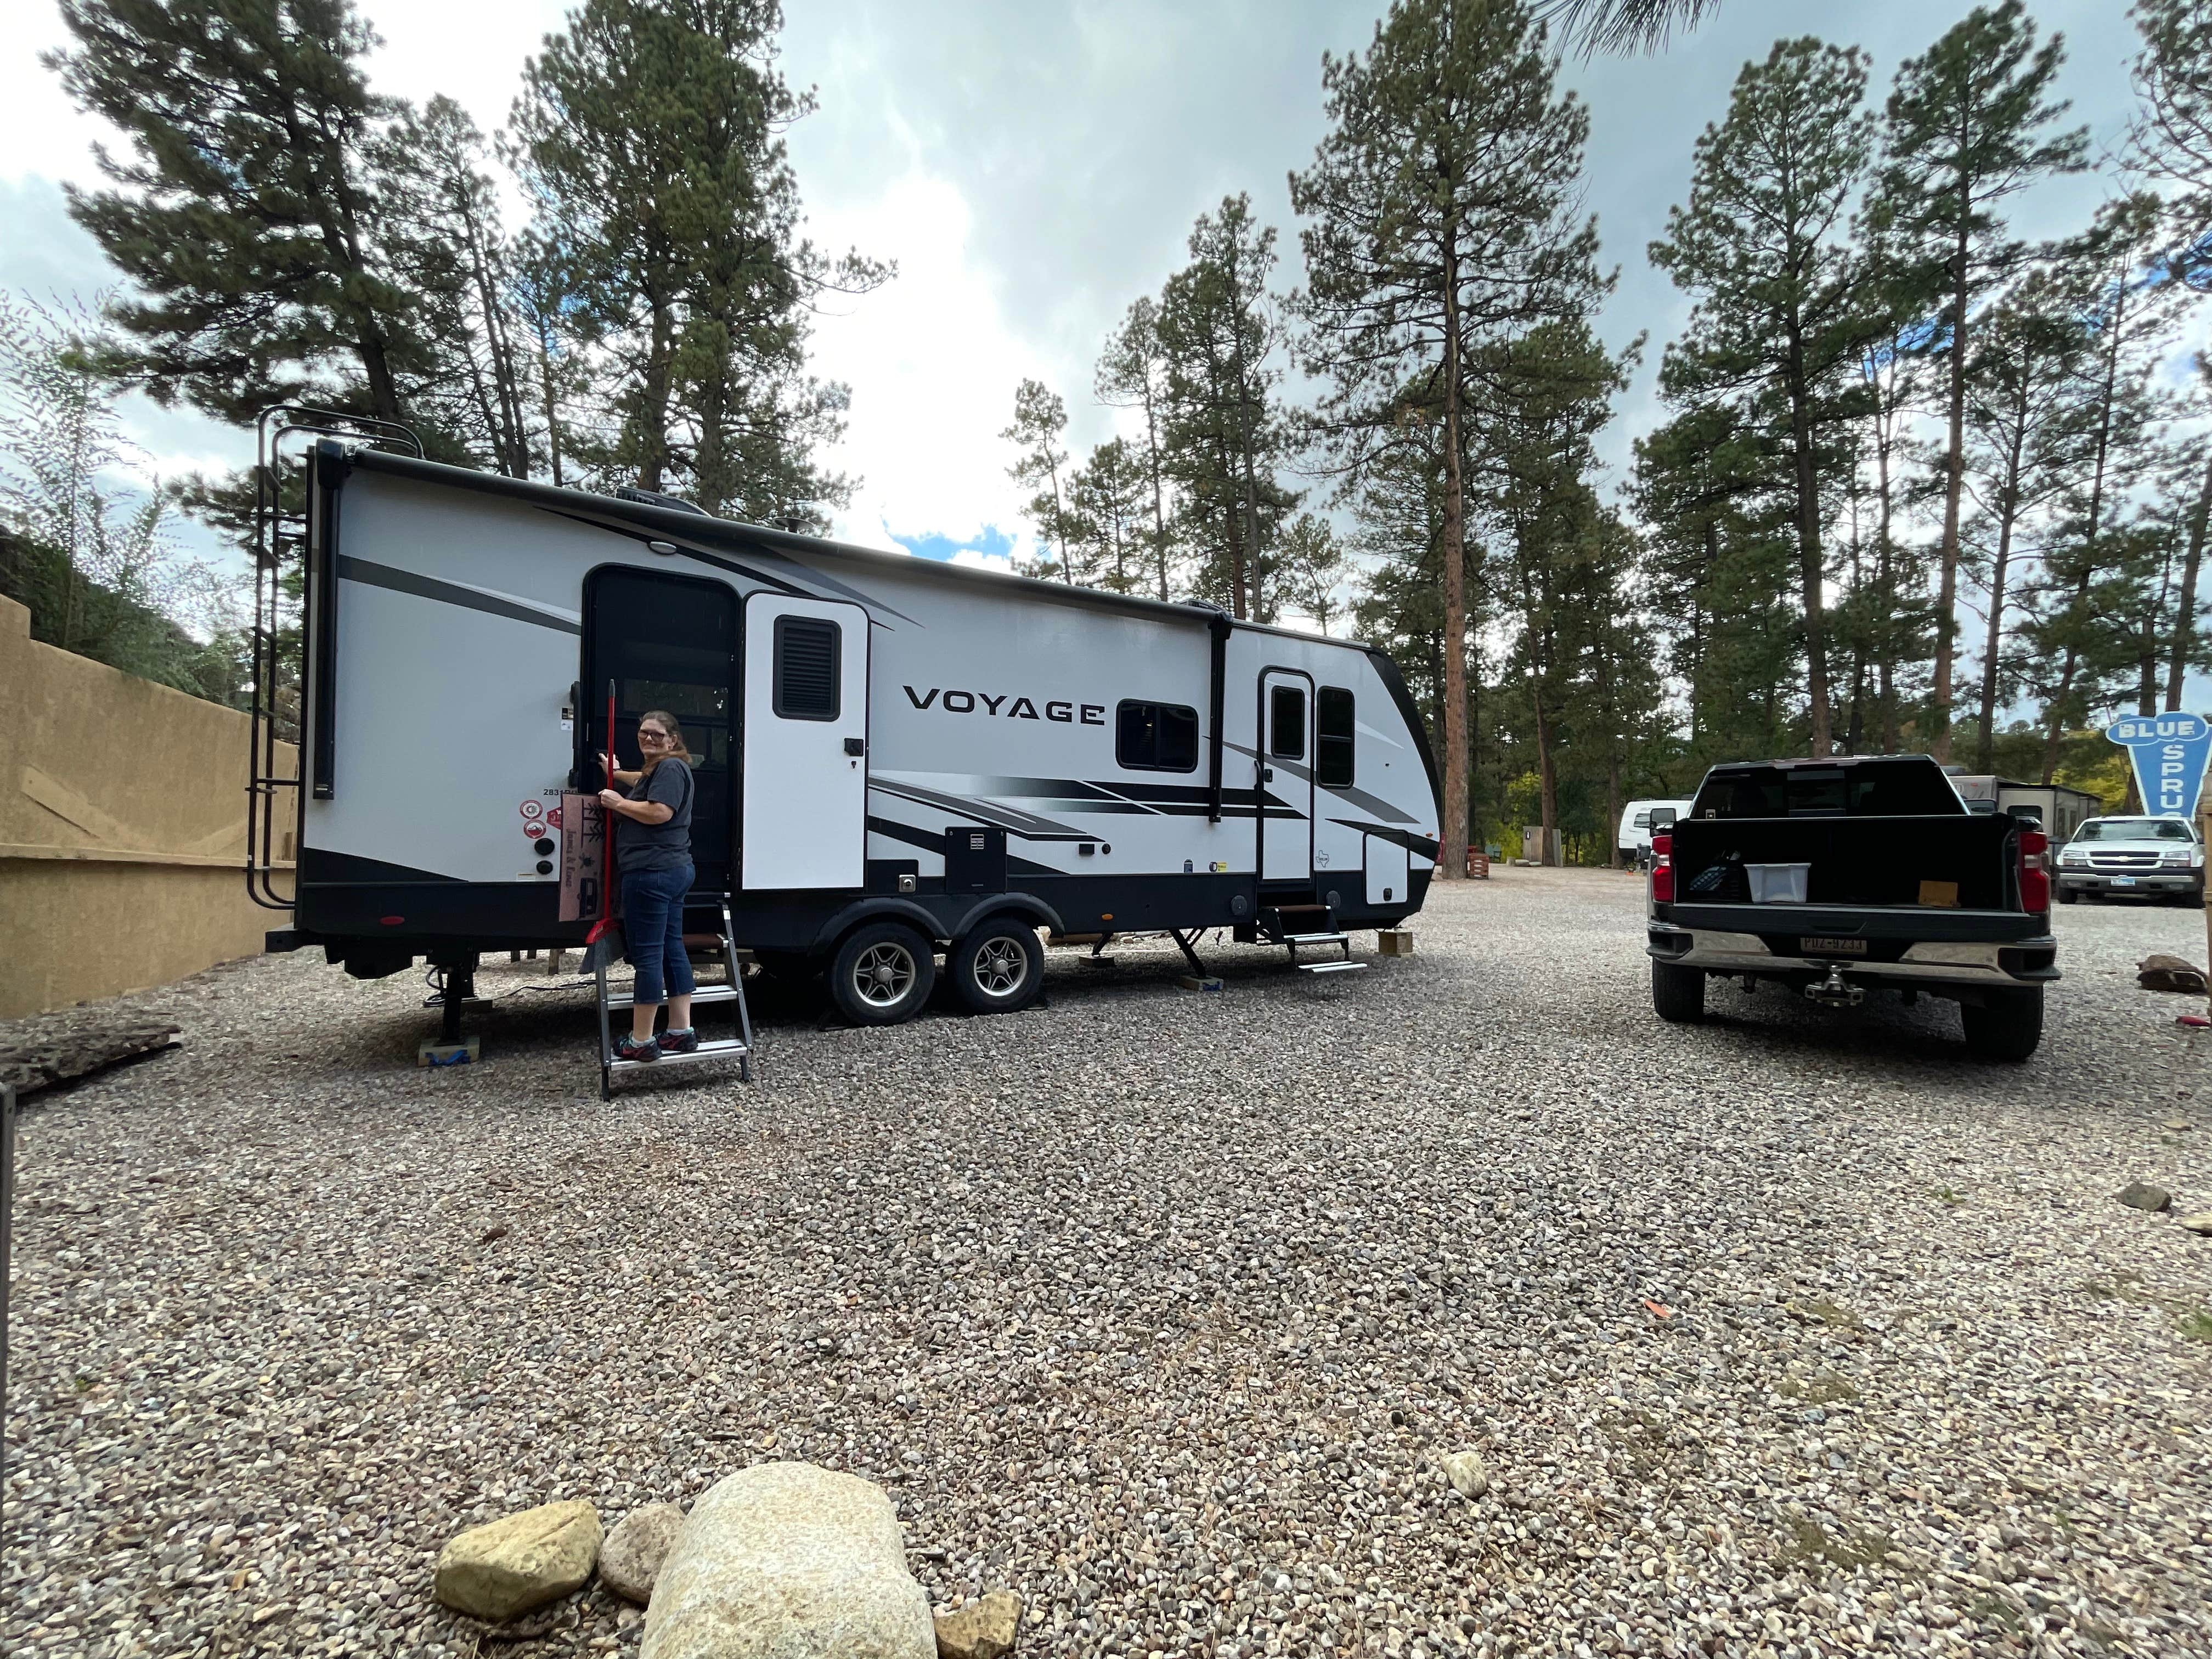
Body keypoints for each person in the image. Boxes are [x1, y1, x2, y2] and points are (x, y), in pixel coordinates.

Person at [599, 710, 698, 1060]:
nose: (649, 739)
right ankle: (680, 1032)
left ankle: (641, 1042)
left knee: (649, 955)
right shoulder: (660, 769)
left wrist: (618, 803)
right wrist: (612, 771)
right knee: (671, 947)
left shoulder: (670, 769)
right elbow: (638, 777)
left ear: (673, 740)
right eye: (644, 733)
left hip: (652, 873)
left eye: (657, 735)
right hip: (671, 870)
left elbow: (660, 812)